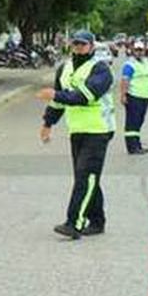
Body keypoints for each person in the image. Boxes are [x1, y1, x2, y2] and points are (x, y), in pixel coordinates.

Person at [37, 30, 116, 240]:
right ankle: (97, 220)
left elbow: (85, 96)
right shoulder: (65, 68)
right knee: (88, 178)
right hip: (77, 130)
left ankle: (75, 223)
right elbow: (59, 100)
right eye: (75, 44)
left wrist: (55, 94)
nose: (79, 47)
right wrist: (48, 123)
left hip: (99, 130)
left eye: (83, 44)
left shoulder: (101, 70)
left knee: (85, 176)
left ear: (91, 46)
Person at [120, 41, 148, 155]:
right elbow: (125, 80)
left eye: (141, 50)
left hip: (144, 97)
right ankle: (132, 147)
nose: (139, 52)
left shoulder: (146, 63)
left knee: (139, 121)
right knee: (132, 123)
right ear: (133, 51)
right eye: (137, 50)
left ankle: (137, 144)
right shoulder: (129, 65)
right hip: (133, 96)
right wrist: (123, 95)